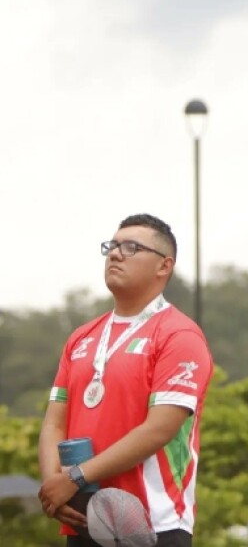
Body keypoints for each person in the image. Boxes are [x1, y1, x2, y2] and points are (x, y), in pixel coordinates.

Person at [37, 214, 214, 547]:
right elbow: (53, 424)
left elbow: (159, 429)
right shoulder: (81, 338)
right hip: (82, 514)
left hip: (152, 523)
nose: (115, 254)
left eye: (131, 247)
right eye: (112, 246)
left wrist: (75, 477)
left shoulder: (179, 334)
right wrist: (54, 485)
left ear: (164, 266)